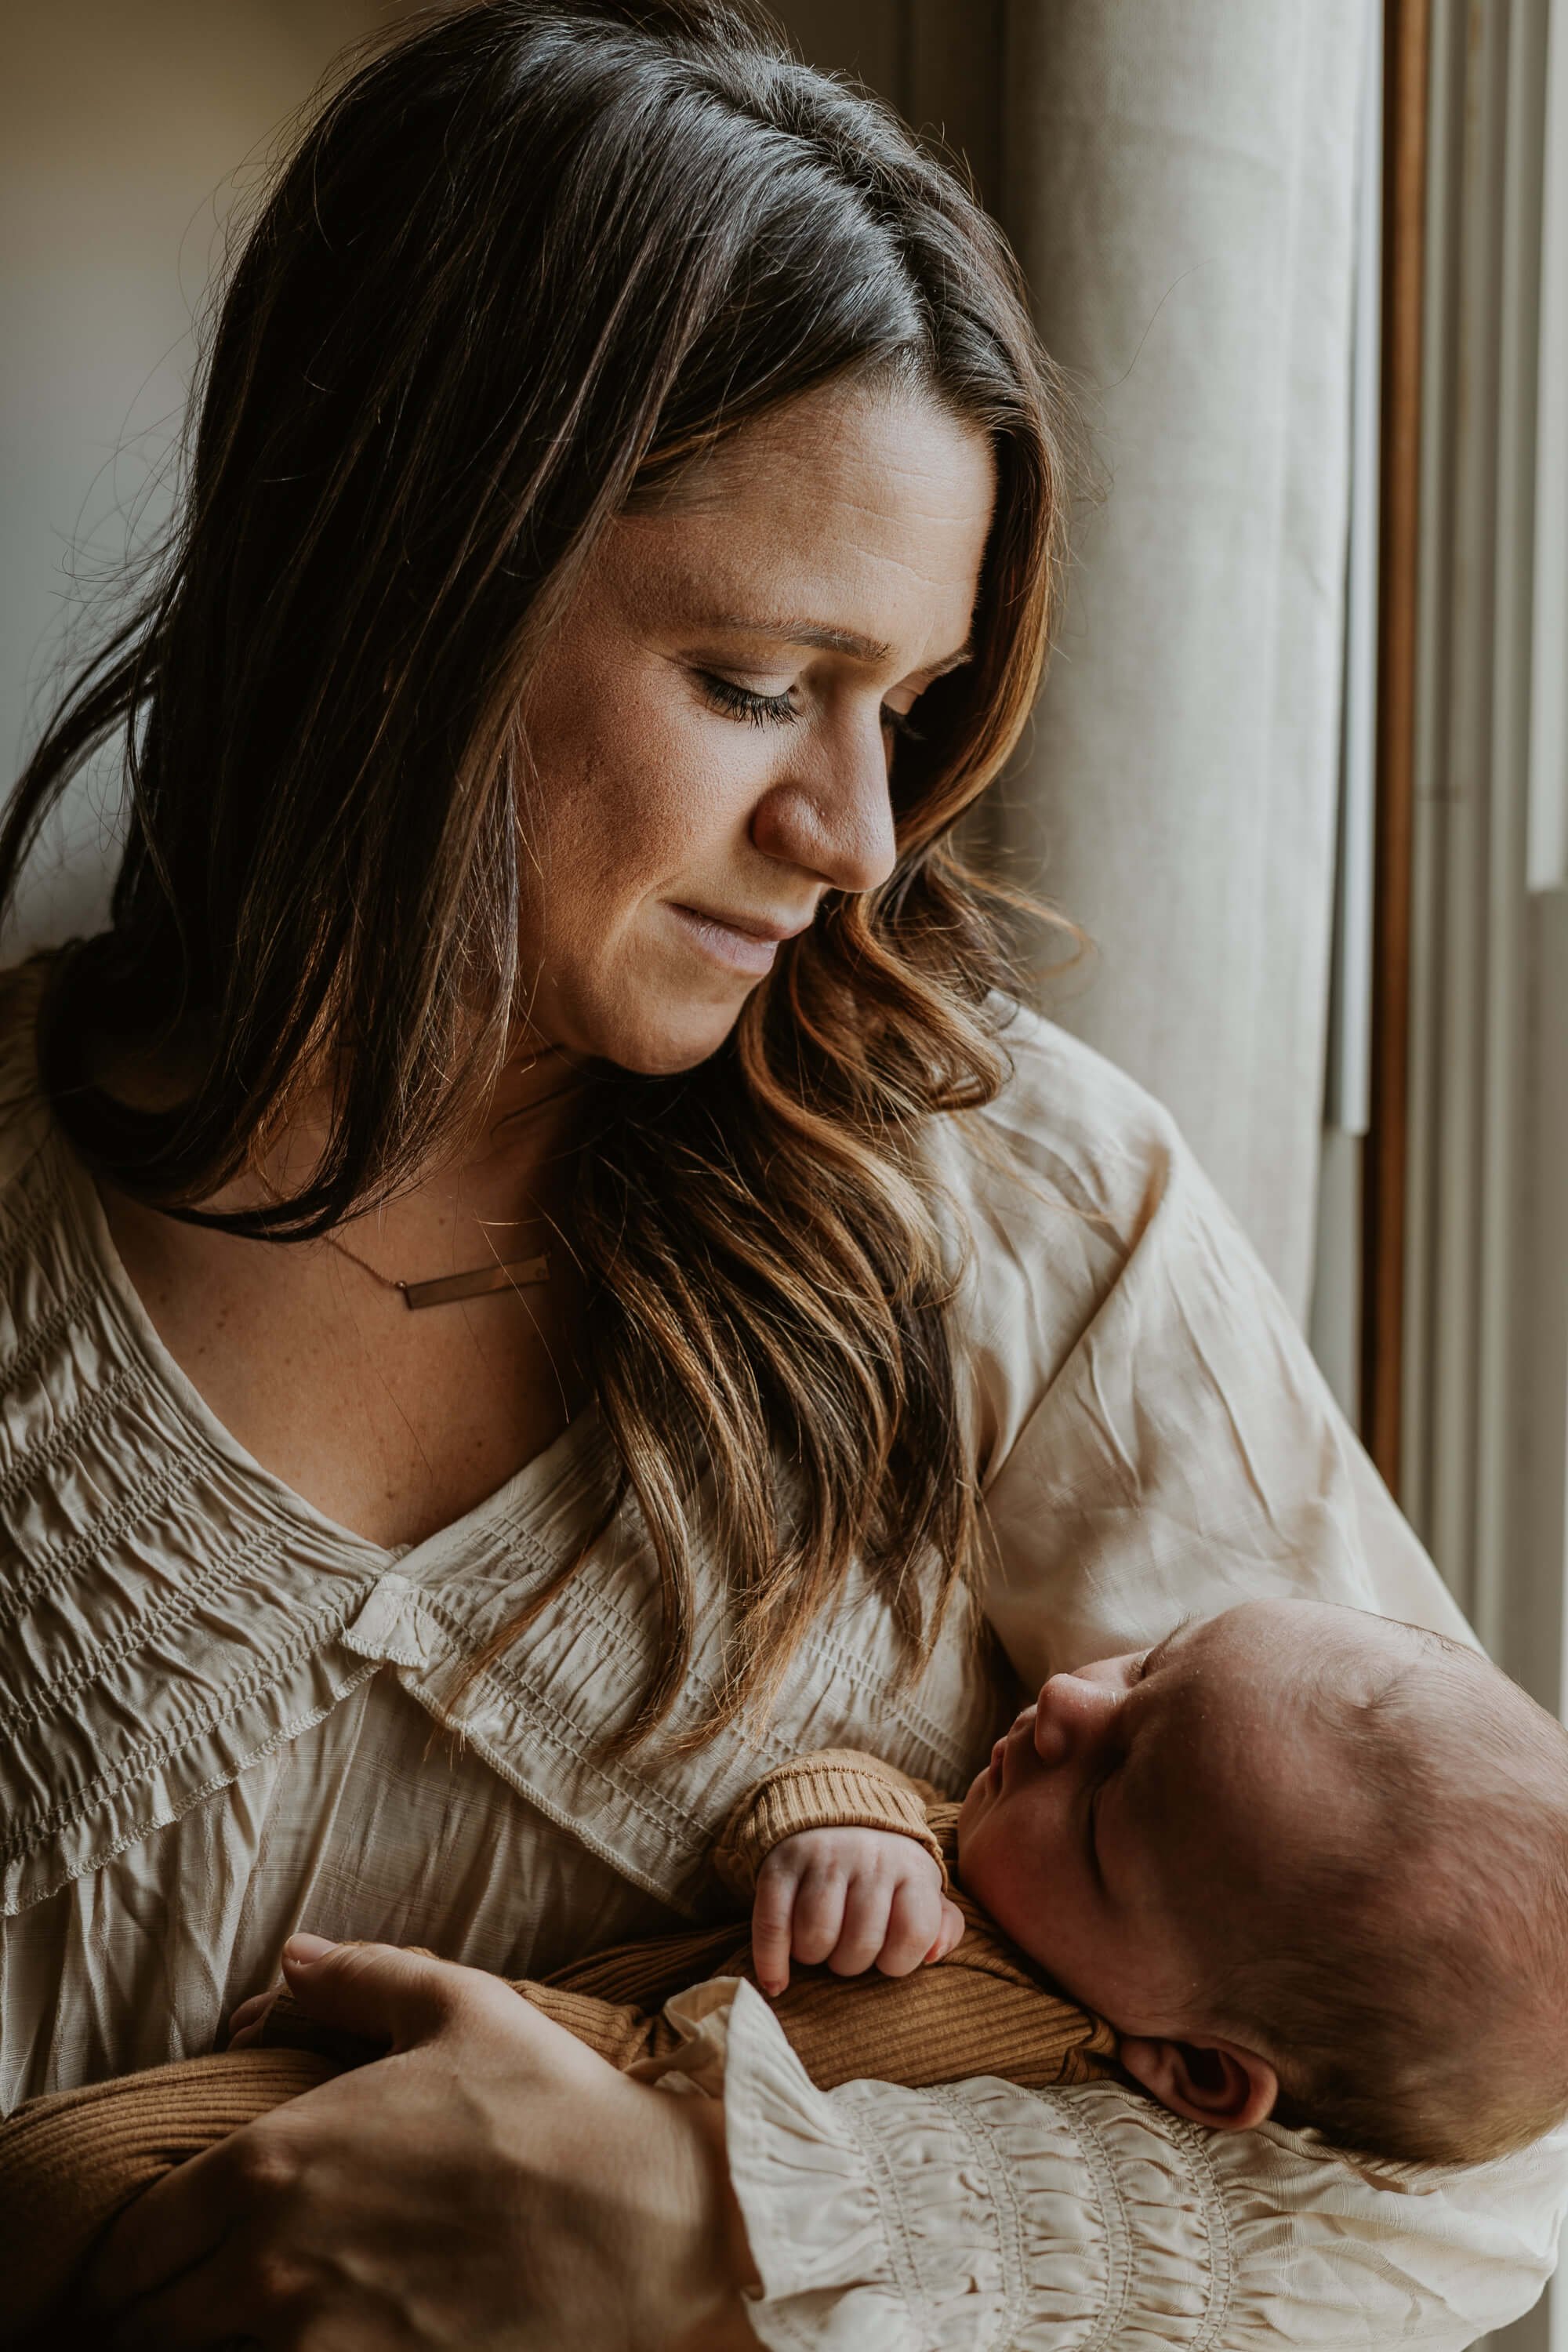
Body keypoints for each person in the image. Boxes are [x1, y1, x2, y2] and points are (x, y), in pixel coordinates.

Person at [2, 3, 1565, 2347]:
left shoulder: (1019, 1197)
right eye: (757, 682)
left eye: (906, 708)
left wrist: (734, 2253)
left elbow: (1492, 2165)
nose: (854, 841)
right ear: (405, 576)